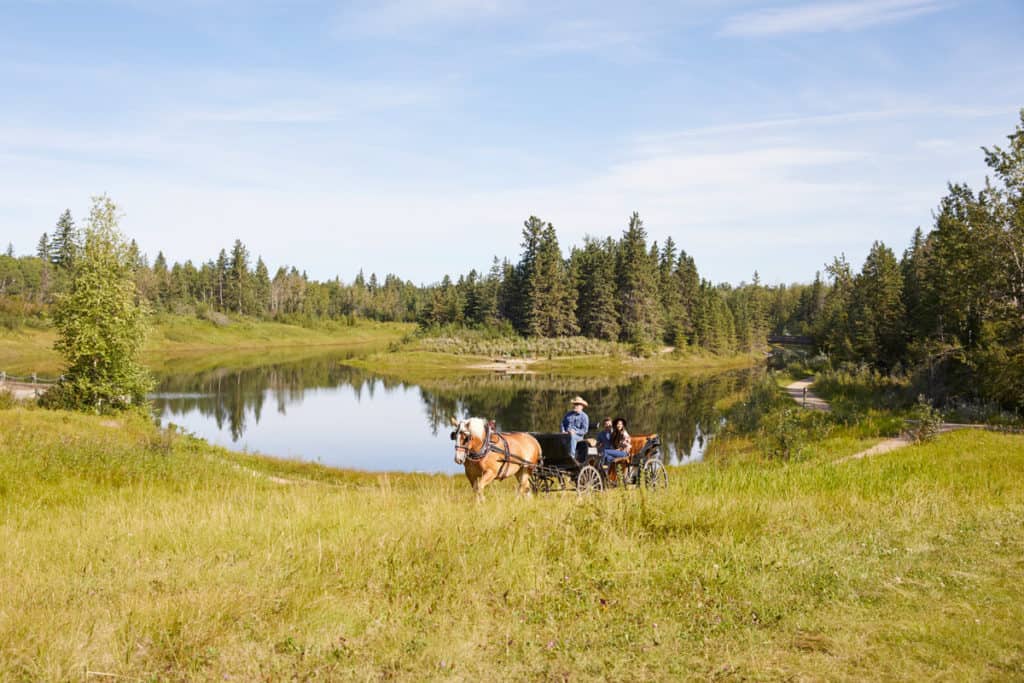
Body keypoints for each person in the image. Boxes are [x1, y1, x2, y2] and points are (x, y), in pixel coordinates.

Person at [561, 396, 590, 462]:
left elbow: (585, 430)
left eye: (577, 405)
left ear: (582, 406)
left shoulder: (584, 416)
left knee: (572, 436)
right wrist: (563, 431)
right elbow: (563, 423)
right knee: (556, 437)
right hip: (566, 434)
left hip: (578, 437)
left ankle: (572, 456)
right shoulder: (568, 414)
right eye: (575, 404)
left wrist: (575, 432)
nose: (575, 406)